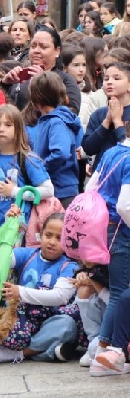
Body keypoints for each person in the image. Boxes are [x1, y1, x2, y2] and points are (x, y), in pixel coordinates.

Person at [0, 105, 54, 329]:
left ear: (18, 129)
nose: (1, 130)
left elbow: (48, 190)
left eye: (8, 125)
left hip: (20, 231)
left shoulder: (28, 159)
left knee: (13, 278)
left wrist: (15, 192)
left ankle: (12, 325)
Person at [0, 211, 80, 364]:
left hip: (52, 319)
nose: (52, 242)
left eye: (59, 238)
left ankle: (20, 354)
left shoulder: (69, 266)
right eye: (48, 235)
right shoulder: (28, 254)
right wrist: (7, 226)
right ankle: (48, 351)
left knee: (67, 325)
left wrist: (20, 292)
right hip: (24, 318)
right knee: (6, 327)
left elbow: (60, 296)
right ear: (40, 235)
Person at [84, 114, 130, 364]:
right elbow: (126, 205)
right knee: (121, 292)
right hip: (122, 230)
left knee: (117, 289)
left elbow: (90, 190)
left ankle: (104, 347)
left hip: (105, 229)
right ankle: (105, 347)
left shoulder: (112, 152)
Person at [29, 71, 83, 207]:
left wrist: (39, 168)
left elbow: (61, 152)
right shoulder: (49, 120)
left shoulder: (56, 122)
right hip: (53, 187)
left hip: (61, 190)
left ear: (36, 98)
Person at [1, 27, 81, 113]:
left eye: (43, 47)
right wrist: (5, 85)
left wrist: (44, 82)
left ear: (57, 51)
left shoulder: (65, 79)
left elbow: (72, 112)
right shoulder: (21, 77)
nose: (36, 51)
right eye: (33, 46)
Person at [82, 63, 130, 169]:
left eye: (116, 78)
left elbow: (127, 147)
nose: (109, 82)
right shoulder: (99, 114)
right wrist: (107, 122)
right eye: (106, 78)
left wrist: (117, 121)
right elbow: (89, 148)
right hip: (101, 175)